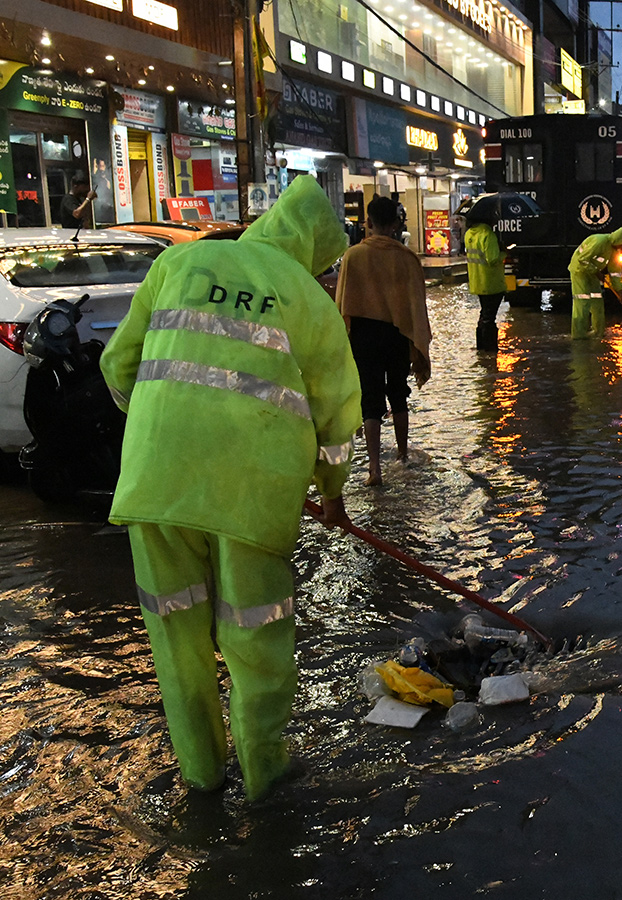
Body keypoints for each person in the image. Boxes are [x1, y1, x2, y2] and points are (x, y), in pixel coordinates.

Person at [99, 175, 361, 802]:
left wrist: (160, 431)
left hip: (154, 484)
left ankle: (202, 775)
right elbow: (337, 414)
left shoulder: (178, 261)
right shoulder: (304, 295)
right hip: (252, 494)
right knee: (255, 636)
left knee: (175, 636)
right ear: (315, 252)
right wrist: (331, 490)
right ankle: (266, 777)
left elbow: (118, 365)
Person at [336, 195, 432, 484]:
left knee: (370, 398)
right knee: (399, 394)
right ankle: (403, 456)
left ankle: (374, 469)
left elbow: (343, 303)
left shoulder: (353, 256)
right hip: (397, 333)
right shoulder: (406, 258)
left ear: (368, 223)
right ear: (395, 224)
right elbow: (416, 305)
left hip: (363, 335)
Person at [568, 226, 622, 340]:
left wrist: (619, 292)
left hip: (593, 272)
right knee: (583, 301)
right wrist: (597, 273)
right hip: (579, 271)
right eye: (621, 245)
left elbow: (615, 273)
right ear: (617, 241)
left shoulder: (614, 251)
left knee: (597, 300)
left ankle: (598, 332)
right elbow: (582, 259)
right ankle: (578, 335)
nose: (621, 248)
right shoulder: (599, 241)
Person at [464, 210, 507, 352]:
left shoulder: (469, 234)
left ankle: (481, 348)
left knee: (484, 315)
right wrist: (504, 252)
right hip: (492, 283)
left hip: (477, 282)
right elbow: (493, 259)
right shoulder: (488, 235)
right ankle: (490, 350)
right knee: (489, 317)